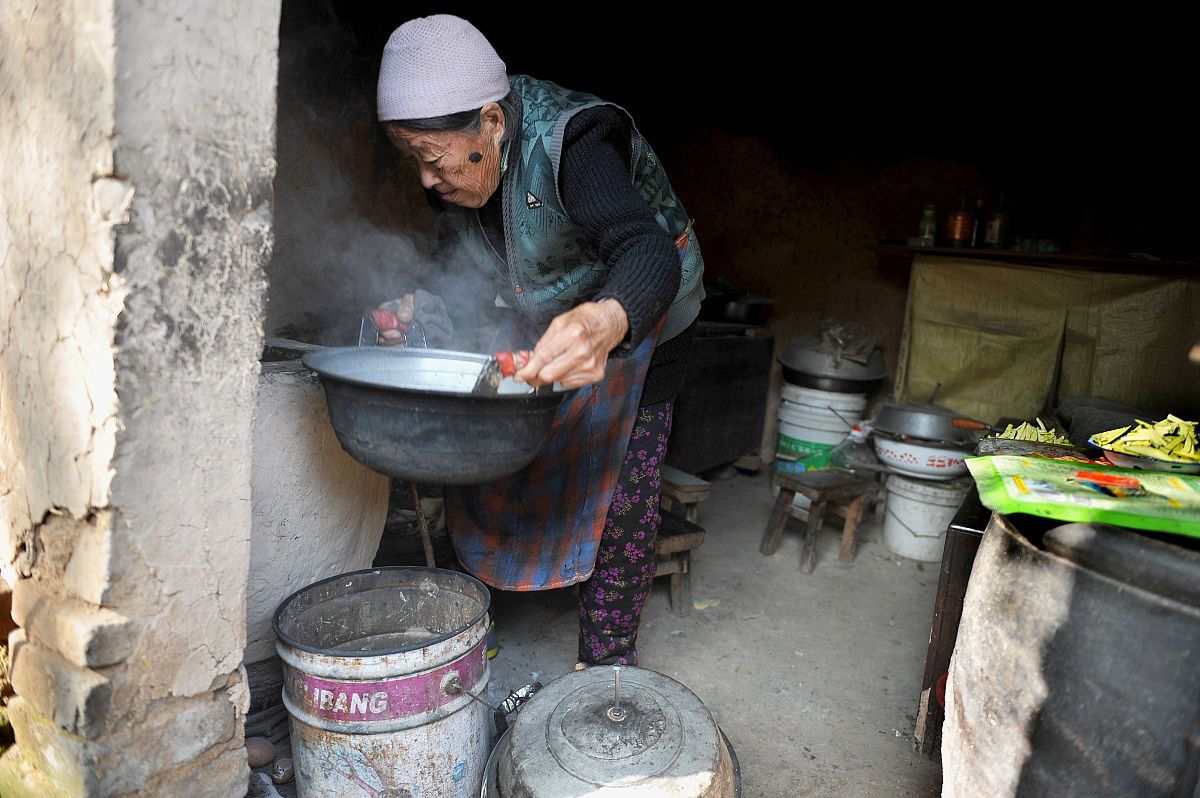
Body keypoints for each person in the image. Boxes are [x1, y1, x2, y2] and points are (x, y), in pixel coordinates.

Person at [374, 14, 704, 667]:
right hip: (554, 311)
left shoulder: (575, 141)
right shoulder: (456, 176)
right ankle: (477, 610)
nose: (425, 181)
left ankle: (607, 665)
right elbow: (459, 265)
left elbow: (647, 251)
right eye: (413, 160)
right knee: (491, 437)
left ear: (492, 123)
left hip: (646, 310)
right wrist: (424, 308)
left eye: (433, 160)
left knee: (624, 490)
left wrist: (606, 320)